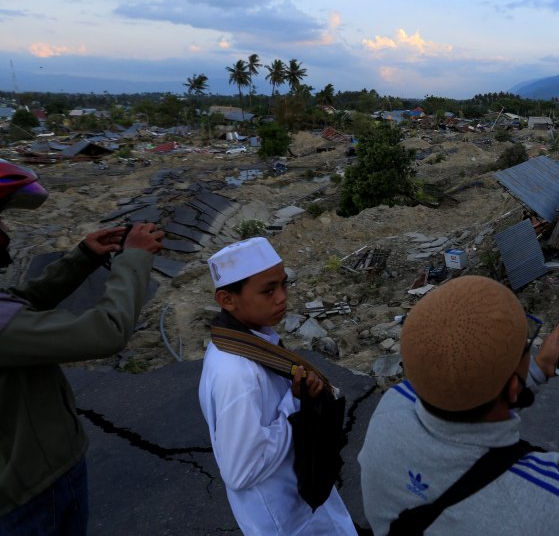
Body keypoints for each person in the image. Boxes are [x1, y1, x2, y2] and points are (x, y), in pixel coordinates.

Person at [359, 275, 559, 535]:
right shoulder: (544, 506)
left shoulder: (391, 407)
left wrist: (535, 371)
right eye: (527, 346)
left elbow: (461, 391)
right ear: (514, 388)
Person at [0, 159, 164, 534]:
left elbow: (17, 303)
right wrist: (134, 258)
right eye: (0, 220)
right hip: (34, 491)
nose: (6, 229)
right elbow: (106, 331)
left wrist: (82, 259)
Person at [198, 237, 357, 536]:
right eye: (268, 291)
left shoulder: (252, 340)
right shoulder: (236, 373)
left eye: (284, 285)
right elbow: (241, 471)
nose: (282, 298)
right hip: (284, 517)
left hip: (296, 495)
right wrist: (293, 405)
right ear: (227, 300)